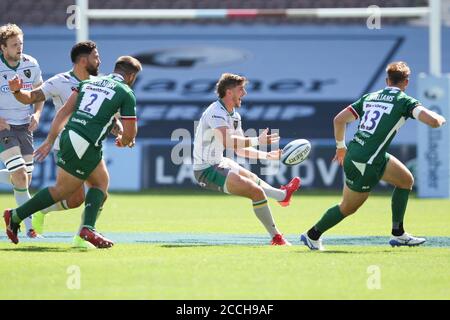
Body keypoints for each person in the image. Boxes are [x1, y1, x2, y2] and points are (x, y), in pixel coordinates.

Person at [300, 61, 447, 251]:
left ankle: (398, 233)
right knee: (348, 207)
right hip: (365, 161)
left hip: (363, 154)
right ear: (406, 82)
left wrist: (340, 147)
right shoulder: (405, 101)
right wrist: (442, 118)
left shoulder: (371, 97)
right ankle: (312, 235)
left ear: (387, 80)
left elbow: (339, 119)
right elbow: (434, 121)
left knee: (405, 180)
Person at [3, 56, 141, 248]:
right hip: (85, 142)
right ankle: (16, 215)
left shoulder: (88, 82)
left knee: (100, 183)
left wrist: (51, 139)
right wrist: (125, 140)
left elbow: (64, 112)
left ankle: (86, 229)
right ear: (131, 77)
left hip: (71, 136)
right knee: (63, 191)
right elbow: (130, 132)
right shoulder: (126, 92)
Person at [8, 41, 109, 247]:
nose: (99, 60)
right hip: (68, 144)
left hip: (90, 144)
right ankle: (82, 235)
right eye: (95, 56)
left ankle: (37, 213)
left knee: (77, 199)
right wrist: (18, 92)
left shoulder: (99, 82)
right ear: (83, 60)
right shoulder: (60, 81)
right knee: (93, 188)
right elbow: (33, 97)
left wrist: (117, 129)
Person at [193, 73, 301, 246]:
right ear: (229, 92)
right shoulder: (215, 112)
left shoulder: (234, 116)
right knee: (256, 192)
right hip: (206, 170)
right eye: (240, 89)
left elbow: (239, 149)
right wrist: (258, 140)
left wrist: (266, 155)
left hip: (219, 162)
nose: (244, 93)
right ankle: (277, 237)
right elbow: (227, 141)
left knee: (253, 179)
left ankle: (282, 195)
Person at [0, 23, 44, 238]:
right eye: (14, 44)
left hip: (25, 126)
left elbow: (40, 93)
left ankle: (17, 218)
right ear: (3, 47)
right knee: (18, 175)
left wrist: (36, 114)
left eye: (21, 44)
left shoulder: (31, 64)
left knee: (24, 178)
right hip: (4, 128)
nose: (19, 48)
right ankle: (29, 228)